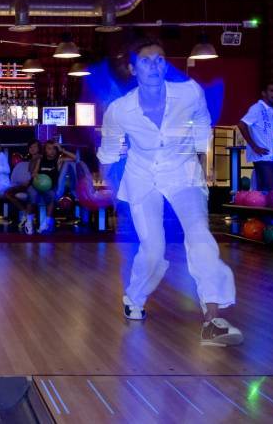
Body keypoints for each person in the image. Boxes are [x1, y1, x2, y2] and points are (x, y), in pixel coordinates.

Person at [97, 37, 242, 347]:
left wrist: (202, 160)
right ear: (133, 69)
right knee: (153, 248)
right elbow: (108, 151)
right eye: (146, 61)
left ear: (165, 65)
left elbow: (202, 121)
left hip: (183, 173)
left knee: (200, 236)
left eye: (159, 59)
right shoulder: (120, 110)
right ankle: (134, 297)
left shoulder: (189, 92)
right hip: (142, 178)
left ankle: (213, 318)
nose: (154, 66)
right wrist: (110, 189)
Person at [27, 141, 76, 233]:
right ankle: (29, 221)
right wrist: (35, 175)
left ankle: (47, 221)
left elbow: (75, 158)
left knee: (51, 196)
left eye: (54, 149)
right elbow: (35, 172)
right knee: (31, 194)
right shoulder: (40, 160)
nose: (52, 151)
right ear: (45, 150)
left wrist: (62, 150)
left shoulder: (58, 160)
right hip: (37, 184)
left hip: (50, 186)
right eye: (49, 148)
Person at [238, 82, 273, 192]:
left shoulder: (270, 110)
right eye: (272, 91)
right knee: (269, 190)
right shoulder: (257, 108)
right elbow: (242, 124)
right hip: (263, 156)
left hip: (271, 156)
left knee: (266, 189)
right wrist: (254, 146)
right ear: (264, 93)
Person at [5, 139, 41, 233]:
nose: (32, 149)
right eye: (30, 147)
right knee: (7, 193)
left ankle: (28, 216)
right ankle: (26, 213)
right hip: (28, 183)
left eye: (34, 147)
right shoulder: (32, 159)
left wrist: (27, 183)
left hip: (34, 184)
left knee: (9, 193)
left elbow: (37, 175)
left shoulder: (40, 158)